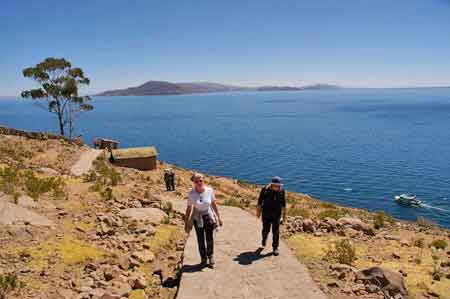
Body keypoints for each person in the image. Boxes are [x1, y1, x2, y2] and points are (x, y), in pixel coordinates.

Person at [185, 172, 223, 268]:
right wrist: (187, 222)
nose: (199, 182)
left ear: (203, 181)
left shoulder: (209, 190)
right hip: (197, 218)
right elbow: (189, 209)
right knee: (200, 240)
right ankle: (203, 259)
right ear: (194, 182)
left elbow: (214, 204)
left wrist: (218, 217)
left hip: (208, 217)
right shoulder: (191, 194)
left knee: (209, 238)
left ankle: (210, 257)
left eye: (200, 180)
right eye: (196, 181)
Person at [256, 176, 286, 256]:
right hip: (266, 213)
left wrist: (284, 216)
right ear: (272, 184)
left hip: (277, 215)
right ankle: (264, 239)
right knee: (266, 230)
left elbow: (283, 204)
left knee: (276, 232)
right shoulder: (265, 190)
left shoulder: (282, 191)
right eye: (275, 185)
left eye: (278, 185)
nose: (277, 187)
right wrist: (258, 212)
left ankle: (275, 248)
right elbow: (259, 201)